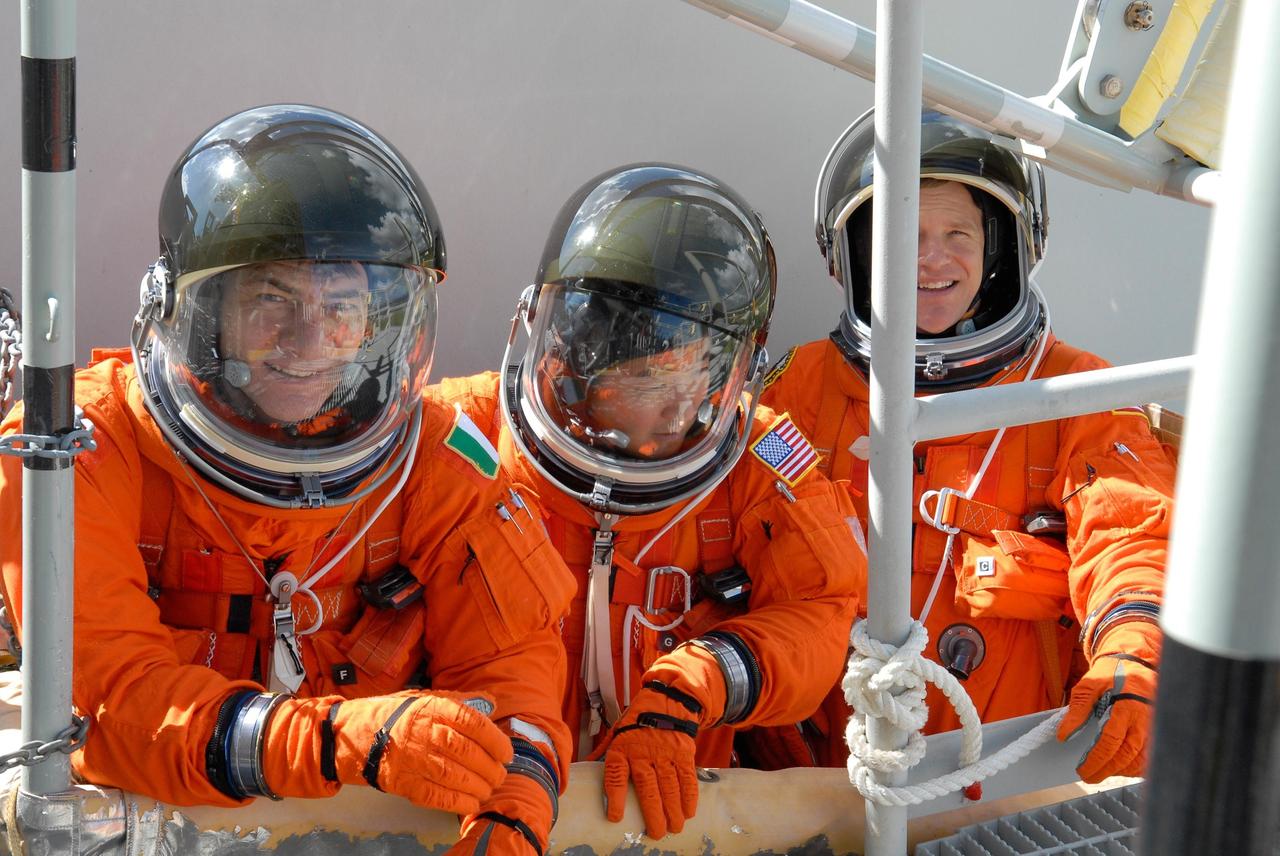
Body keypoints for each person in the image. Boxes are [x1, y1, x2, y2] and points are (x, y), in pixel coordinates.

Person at [0, 105, 574, 855]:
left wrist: (518, 784)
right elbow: (110, 705)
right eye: (271, 299)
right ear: (199, 311)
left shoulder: (434, 457)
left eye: (342, 308)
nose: (310, 342)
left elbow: (511, 663)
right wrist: (332, 743)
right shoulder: (80, 448)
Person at [431, 163, 865, 840]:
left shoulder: (763, 455)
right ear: (576, 369)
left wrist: (694, 685)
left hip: (670, 815)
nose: (682, 404)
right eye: (650, 379)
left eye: (700, 372)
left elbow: (820, 613)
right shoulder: (460, 436)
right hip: (480, 804)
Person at [758, 110, 1173, 783]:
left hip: (1007, 779)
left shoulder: (1073, 391)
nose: (933, 260)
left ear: (1002, 248)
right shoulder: (796, 394)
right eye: (905, 235)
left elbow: (1129, 536)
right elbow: (724, 529)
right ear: (855, 252)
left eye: (959, 233)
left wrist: (1136, 655)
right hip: (821, 787)